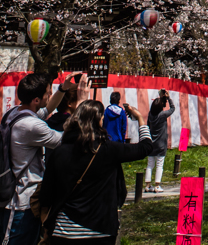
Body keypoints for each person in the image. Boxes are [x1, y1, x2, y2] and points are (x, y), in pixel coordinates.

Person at [38, 98, 151, 244]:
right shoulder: (109, 149)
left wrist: (45, 225)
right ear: (98, 121)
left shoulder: (60, 152)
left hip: (64, 230)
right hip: (100, 229)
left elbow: (46, 193)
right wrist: (140, 119)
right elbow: (145, 148)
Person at [0, 72, 90, 245]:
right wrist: (82, 103)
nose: (50, 95)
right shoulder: (32, 126)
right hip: (22, 205)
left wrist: (63, 89)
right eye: (48, 93)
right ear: (36, 99)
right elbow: (68, 138)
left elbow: (47, 110)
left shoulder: (14, 113)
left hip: (14, 199)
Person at [144, 90, 175, 193]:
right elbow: (172, 109)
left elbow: (148, 125)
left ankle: (148, 185)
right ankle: (157, 185)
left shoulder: (150, 115)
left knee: (150, 164)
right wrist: (169, 98)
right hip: (161, 144)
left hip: (151, 143)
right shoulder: (162, 115)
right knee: (159, 165)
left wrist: (162, 98)